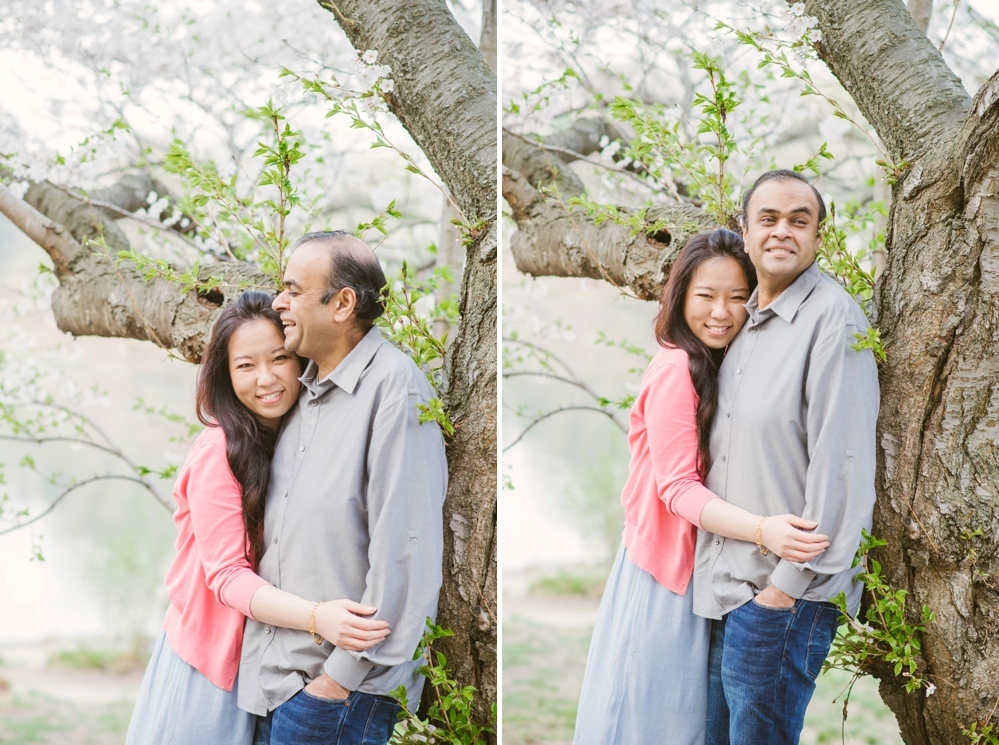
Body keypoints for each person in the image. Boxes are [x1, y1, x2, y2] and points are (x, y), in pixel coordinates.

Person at [572, 228, 831, 745]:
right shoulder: (676, 366)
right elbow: (677, 488)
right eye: (706, 296)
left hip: (704, 574)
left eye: (738, 297)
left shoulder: (726, 365)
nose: (722, 312)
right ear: (680, 296)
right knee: (653, 721)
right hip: (663, 574)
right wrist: (765, 531)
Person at [126, 291, 391, 745]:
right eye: (245, 366)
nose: (266, 379)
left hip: (265, 666)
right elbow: (228, 576)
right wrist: (318, 617)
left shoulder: (299, 434)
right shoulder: (219, 449)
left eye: (279, 358)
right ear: (226, 376)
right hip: (209, 665)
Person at [239, 231, 448, 745]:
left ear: (343, 304)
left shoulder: (395, 390)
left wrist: (337, 682)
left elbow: (407, 549)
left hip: (335, 697)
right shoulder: (300, 391)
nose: (278, 303)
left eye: (293, 290)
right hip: (275, 685)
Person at [696, 171, 880, 745]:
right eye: (768, 219)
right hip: (729, 590)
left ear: (818, 237)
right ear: (745, 234)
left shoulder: (834, 319)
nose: (783, 231)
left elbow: (842, 466)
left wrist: (784, 591)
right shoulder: (742, 325)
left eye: (799, 221)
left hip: (782, 601)